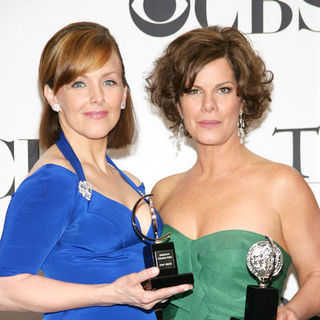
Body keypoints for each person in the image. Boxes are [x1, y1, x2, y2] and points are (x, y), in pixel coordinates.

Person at [0, 21, 192, 320]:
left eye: (109, 82)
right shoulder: (53, 181)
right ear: (52, 96)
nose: (97, 97)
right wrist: (109, 293)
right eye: (79, 83)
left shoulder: (131, 182)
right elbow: (6, 289)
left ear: (125, 94)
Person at [146, 25, 320, 320]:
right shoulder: (163, 191)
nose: (208, 105)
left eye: (223, 90)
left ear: (243, 99)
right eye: (194, 91)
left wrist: (292, 312)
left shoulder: (281, 184)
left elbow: (317, 274)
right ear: (177, 103)